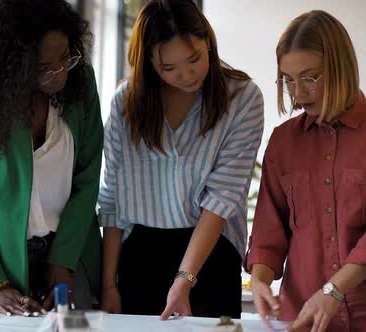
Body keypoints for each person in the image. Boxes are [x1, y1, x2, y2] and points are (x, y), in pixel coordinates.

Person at [245, 10, 366, 332]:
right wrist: (260, 280)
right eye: (288, 80)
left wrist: (333, 289)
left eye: (309, 77)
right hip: (302, 319)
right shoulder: (283, 142)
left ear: (340, 68)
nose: (298, 92)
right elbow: (267, 231)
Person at [98, 0, 264, 320]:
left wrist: (184, 281)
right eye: (168, 68)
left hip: (210, 251)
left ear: (208, 43)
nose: (186, 75)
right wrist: (108, 285)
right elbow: (112, 199)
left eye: (194, 59)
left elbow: (222, 198)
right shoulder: (125, 105)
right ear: (148, 63)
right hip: (139, 253)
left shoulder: (242, 99)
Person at [0, 0, 103, 316]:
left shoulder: (81, 84)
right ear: (11, 63)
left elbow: (88, 179)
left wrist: (62, 260)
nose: (60, 74)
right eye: (43, 67)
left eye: (65, 57)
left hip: (71, 250)